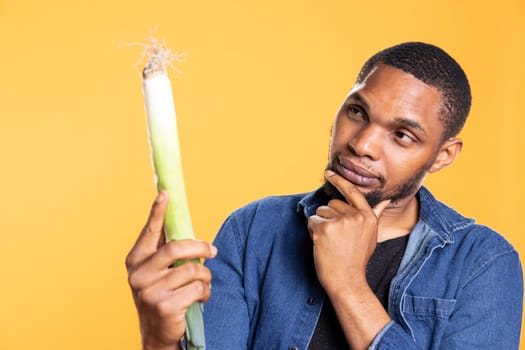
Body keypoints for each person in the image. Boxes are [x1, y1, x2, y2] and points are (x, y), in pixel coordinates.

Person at [126, 42, 523, 349]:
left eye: (402, 135)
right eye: (357, 112)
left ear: (443, 155)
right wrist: (160, 339)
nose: (363, 144)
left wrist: (348, 284)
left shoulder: (484, 264)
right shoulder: (253, 230)